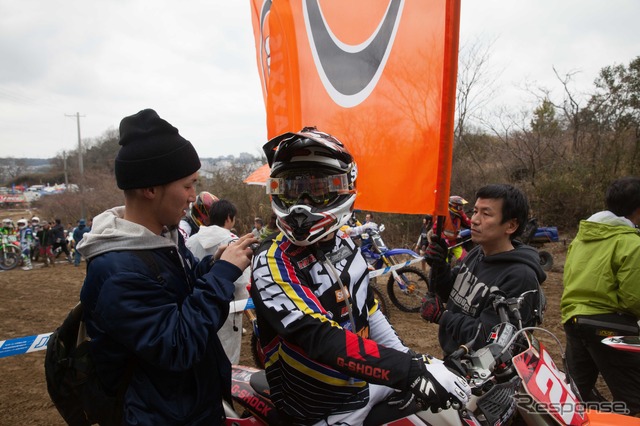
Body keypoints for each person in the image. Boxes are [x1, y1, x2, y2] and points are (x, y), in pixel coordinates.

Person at [251, 127, 470, 425]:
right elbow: (318, 337)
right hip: (314, 407)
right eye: (290, 190)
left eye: (318, 189)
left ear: (345, 188)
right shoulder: (272, 260)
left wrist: (411, 359)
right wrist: (407, 369)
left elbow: (369, 310)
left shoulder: (345, 245)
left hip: (360, 384)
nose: (302, 203)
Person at [76, 108, 257, 425]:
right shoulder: (117, 269)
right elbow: (176, 345)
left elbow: (177, 295)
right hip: (156, 415)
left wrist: (212, 265)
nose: (193, 197)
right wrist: (223, 275)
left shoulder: (162, 240)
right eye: (188, 185)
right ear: (150, 188)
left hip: (187, 405)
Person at [422, 184, 546, 356]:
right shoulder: (478, 253)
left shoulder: (520, 277)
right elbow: (450, 292)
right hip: (455, 360)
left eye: (486, 214)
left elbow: (491, 338)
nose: (474, 220)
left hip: (483, 374)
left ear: (510, 225)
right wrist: (439, 264)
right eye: (475, 211)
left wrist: (442, 317)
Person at [560, 176, 640, 416]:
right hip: (609, 325)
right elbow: (633, 299)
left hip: (575, 321)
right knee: (633, 398)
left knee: (575, 394)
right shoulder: (631, 243)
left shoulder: (583, 237)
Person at [186, 199, 250, 364]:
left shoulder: (192, 240)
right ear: (229, 218)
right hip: (227, 309)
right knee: (226, 356)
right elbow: (242, 282)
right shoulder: (234, 242)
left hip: (194, 308)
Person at [433, 196, 471, 264]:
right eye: (460, 206)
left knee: (466, 259)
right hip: (444, 244)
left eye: (462, 207)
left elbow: (469, 224)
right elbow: (436, 229)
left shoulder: (460, 214)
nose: (461, 208)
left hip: (455, 242)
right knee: (444, 263)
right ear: (453, 205)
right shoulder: (444, 214)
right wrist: (443, 239)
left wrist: (463, 215)